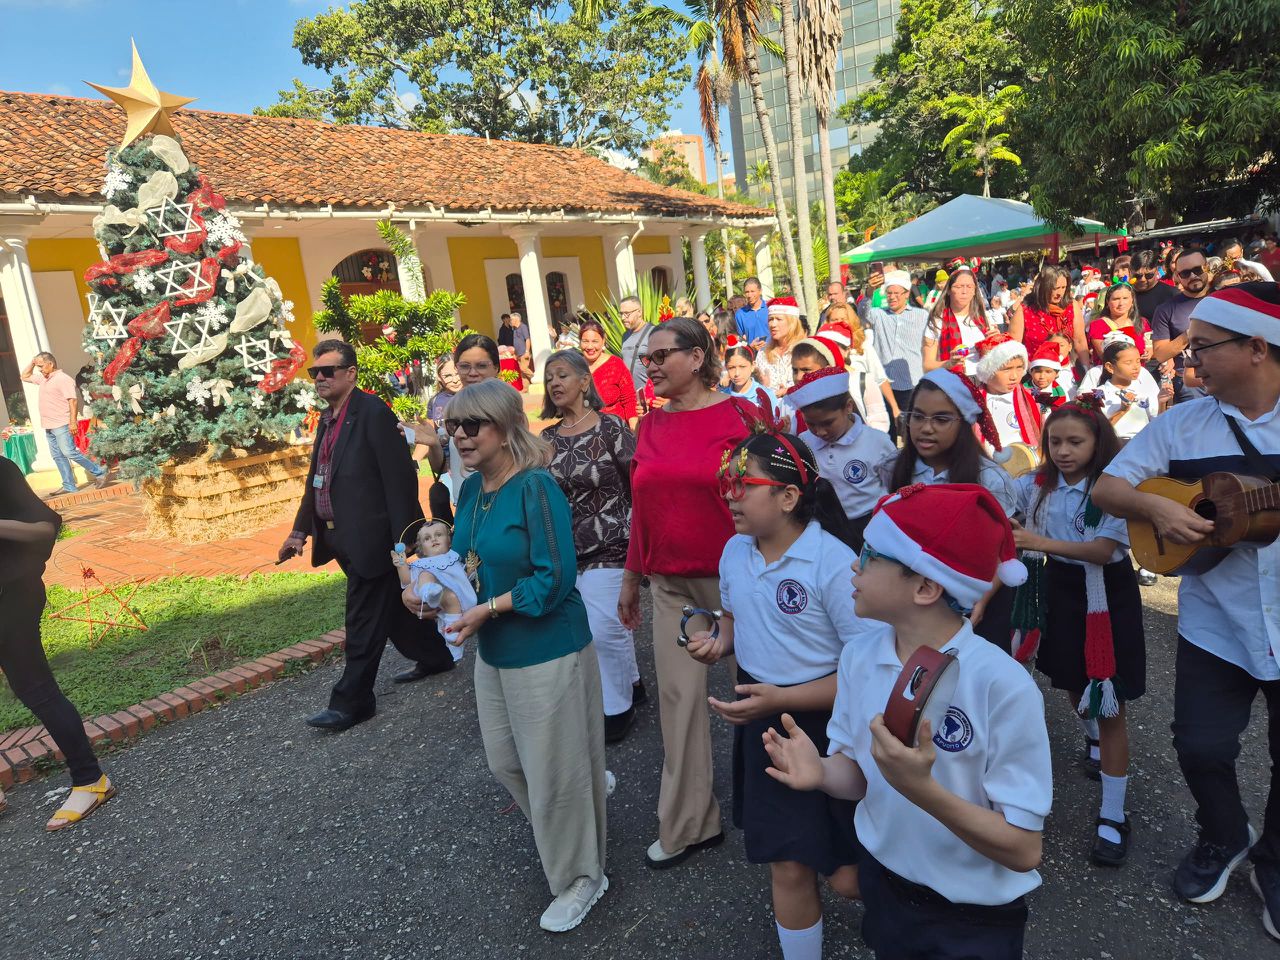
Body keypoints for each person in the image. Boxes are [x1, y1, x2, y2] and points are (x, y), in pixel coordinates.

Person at [764, 483, 1051, 960]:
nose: (854, 566)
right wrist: (821, 773)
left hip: (973, 917)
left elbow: (1024, 849)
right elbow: (857, 774)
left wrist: (921, 790)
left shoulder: (1001, 684)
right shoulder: (859, 656)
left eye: (871, 556)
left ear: (925, 586)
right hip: (887, 885)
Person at [1092, 283, 1280, 938]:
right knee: (1200, 747)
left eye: (1202, 348)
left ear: (1257, 348)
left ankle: (1275, 863)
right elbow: (1109, 485)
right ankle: (1224, 835)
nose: (1187, 360)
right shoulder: (1183, 424)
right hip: (1215, 622)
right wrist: (1156, 507)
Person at [431, 379, 608, 933]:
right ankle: (571, 830)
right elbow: (463, 564)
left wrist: (489, 609)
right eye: (452, 426)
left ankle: (582, 876)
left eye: (471, 425)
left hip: (548, 647)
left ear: (505, 429)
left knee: (554, 774)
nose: (459, 436)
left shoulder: (535, 488)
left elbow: (555, 579)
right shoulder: (473, 493)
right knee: (507, 762)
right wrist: (431, 593)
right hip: (497, 651)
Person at [685, 427, 862, 960]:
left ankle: (913, 924)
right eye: (726, 483)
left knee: (847, 879)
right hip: (766, 721)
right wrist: (715, 642)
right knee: (788, 861)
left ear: (788, 497)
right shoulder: (735, 552)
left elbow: (867, 673)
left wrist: (782, 700)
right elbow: (735, 620)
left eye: (744, 484)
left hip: (831, 728)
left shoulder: (833, 564)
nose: (731, 495)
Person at [617, 316, 754, 869]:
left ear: (697, 357)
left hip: (737, 583)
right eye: (646, 360)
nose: (649, 367)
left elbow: (769, 497)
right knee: (678, 706)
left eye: (660, 357)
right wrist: (631, 576)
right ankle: (691, 823)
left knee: (757, 696)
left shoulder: (742, 415)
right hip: (671, 585)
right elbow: (642, 511)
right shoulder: (649, 425)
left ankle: (788, 808)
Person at [279, 340, 454, 730]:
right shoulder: (327, 418)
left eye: (329, 371)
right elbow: (316, 482)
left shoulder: (373, 413)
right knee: (390, 611)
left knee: (361, 621)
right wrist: (298, 531)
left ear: (351, 373)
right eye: (315, 372)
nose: (320, 378)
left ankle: (352, 701)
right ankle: (435, 656)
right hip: (340, 538)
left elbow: (400, 479)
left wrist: (403, 540)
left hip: (373, 539)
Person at [1013, 399, 1145, 867]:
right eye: (1055, 442)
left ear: (1097, 443)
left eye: (1076, 442)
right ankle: (1090, 736)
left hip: (1106, 595)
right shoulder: (1038, 484)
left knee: (1110, 700)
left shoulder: (1109, 489)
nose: (1064, 451)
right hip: (1061, 588)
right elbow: (1002, 501)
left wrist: (1036, 541)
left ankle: (1113, 815)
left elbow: (1103, 550)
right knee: (1070, 680)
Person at [0, 455, 117, 831]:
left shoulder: (1, 470)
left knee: (36, 689)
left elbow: (44, 529)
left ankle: (91, 780)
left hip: (10, 596)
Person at [542, 349, 645, 744]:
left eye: (563, 374)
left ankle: (617, 709)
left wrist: (642, 547)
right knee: (597, 624)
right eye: (550, 377)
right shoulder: (546, 439)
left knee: (602, 628)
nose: (555, 382)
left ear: (585, 381)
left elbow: (638, 484)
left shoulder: (611, 428)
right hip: (569, 549)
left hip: (613, 541)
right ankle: (634, 683)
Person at [885, 366, 1020, 652]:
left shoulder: (989, 479)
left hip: (975, 598)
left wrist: (981, 600)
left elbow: (1002, 552)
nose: (926, 427)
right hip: (910, 597)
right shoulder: (892, 468)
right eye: (917, 416)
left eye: (941, 419)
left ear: (964, 422)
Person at [788, 366, 896, 548]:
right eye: (811, 424)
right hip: (825, 528)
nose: (820, 431)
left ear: (848, 407)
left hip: (871, 526)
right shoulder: (804, 442)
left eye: (828, 423)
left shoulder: (877, 442)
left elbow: (895, 487)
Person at [20, 352, 111, 496]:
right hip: (48, 425)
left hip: (62, 423)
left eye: (42, 366)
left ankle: (100, 472)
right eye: (38, 367)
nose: (40, 369)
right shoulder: (44, 379)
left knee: (69, 452)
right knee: (58, 456)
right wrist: (32, 362)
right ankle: (69, 485)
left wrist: (73, 422)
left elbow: (72, 401)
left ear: (51, 364)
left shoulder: (63, 379)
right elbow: (24, 376)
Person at [857, 270, 931, 441]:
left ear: (907, 294)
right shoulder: (878, 314)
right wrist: (869, 292)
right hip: (883, 384)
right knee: (885, 431)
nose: (892, 297)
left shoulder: (921, 316)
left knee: (912, 432)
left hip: (911, 382)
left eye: (897, 293)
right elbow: (862, 312)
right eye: (889, 293)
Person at [392, 518, 476, 663]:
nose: (433, 539)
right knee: (426, 574)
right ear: (421, 548)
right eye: (427, 538)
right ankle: (430, 592)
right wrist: (401, 564)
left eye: (439, 535)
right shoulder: (422, 564)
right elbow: (407, 581)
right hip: (436, 597)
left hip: (459, 595)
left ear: (449, 541)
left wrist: (470, 571)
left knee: (450, 596)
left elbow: (464, 575)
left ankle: (452, 626)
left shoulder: (453, 557)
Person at [818, 306, 897, 433]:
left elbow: (880, 378)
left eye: (843, 319)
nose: (839, 322)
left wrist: (895, 408)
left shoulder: (864, 347)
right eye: (834, 319)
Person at [1150, 246, 1213, 403]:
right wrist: (1190, 333)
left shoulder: (1225, 298)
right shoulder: (1165, 309)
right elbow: (1161, 354)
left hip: (1229, 377)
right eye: (1185, 273)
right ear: (1177, 277)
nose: (1192, 276)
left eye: (1197, 270)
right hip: (1190, 387)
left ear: (1207, 268)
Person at [974, 334, 1043, 455]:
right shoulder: (972, 403)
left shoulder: (1033, 399)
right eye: (1007, 369)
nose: (1014, 376)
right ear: (988, 372)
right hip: (986, 467)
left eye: (1020, 368)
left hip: (1026, 467)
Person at [1009, 264, 1090, 365]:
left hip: (1067, 371)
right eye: (1055, 288)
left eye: (1063, 287)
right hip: (1036, 372)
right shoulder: (1025, 309)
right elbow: (1013, 348)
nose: (1060, 293)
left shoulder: (1072, 306)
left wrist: (1086, 369)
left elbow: (1080, 341)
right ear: (1043, 287)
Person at [922, 265, 993, 374]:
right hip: (954, 383)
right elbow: (927, 366)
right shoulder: (937, 321)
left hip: (985, 381)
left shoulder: (984, 318)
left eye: (969, 286)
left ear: (975, 291)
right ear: (949, 290)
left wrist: (996, 342)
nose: (964, 291)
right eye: (959, 286)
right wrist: (949, 364)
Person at [1096, 339, 1170, 441]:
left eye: (1138, 361)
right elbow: (1096, 432)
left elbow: (1157, 426)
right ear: (1110, 367)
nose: (1136, 367)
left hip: (1142, 444)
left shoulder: (1144, 390)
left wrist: (1162, 403)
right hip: (1114, 447)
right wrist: (1122, 411)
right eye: (1128, 362)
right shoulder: (1098, 394)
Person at [577, 318, 638, 426]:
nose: (590, 347)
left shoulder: (616, 365)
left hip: (616, 432)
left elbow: (630, 402)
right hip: (585, 433)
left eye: (595, 341)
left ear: (603, 341)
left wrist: (634, 435)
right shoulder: (574, 367)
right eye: (585, 341)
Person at [1088, 283, 1149, 363]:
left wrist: (1149, 353)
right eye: (1116, 299)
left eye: (1125, 298)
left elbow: (1151, 347)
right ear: (1108, 302)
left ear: (1132, 301)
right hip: (1111, 373)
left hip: (1138, 372)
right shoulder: (1098, 325)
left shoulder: (1142, 323)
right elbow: (1105, 356)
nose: (1121, 303)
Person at [755, 297, 806, 393]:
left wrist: (788, 391)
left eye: (779, 319)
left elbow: (813, 385)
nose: (773, 324)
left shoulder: (805, 350)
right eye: (771, 319)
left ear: (792, 322)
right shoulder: (763, 352)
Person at [721, 338, 780, 410]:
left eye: (742, 367)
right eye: (731, 368)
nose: (737, 373)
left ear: (753, 366)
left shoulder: (766, 396)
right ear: (726, 367)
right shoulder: (722, 398)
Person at [617, 296, 655, 397]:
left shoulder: (653, 333)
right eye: (621, 314)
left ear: (639, 312)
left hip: (650, 398)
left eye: (627, 314)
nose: (623, 318)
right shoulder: (625, 336)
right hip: (630, 398)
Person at [1129, 249, 1178, 323]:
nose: (1143, 279)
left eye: (1149, 275)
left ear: (1157, 271)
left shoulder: (1172, 294)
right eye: (1138, 276)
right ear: (1130, 272)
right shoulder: (1123, 294)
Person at [1026, 343, 1067, 413]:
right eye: (1038, 372)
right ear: (1031, 372)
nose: (1042, 377)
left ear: (1056, 374)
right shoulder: (1022, 391)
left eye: (1048, 372)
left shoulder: (1060, 393)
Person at [735, 277, 770, 348]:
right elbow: (739, 339)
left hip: (773, 354)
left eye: (752, 291)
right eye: (747, 292)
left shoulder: (770, 308)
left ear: (760, 291)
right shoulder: (740, 314)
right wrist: (749, 346)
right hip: (753, 356)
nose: (749, 295)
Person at [426, 356, 462, 422]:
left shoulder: (475, 397)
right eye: (448, 376)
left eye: (458, 374)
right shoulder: (434, 401)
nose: (455, 380)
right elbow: (431, 427)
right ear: (439, 377)